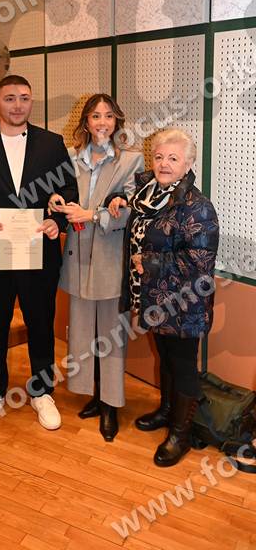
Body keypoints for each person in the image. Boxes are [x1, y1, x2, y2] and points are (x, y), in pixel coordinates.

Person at [0, 75, 78, 431]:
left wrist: (58, 220)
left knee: (40, 321)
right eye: (9, 98)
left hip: (39, 250)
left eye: (24, 98)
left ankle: (42, 392)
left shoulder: (52, 143)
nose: (17, 105)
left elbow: (68, 189)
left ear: (31, 101)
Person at [110, 127, 219, 466]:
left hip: (184, 302)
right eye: (159, 157)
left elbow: (200, 263)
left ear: (188, 164)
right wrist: (118, 199)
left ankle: (180, 435)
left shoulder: (197, 207)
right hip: (154, 298)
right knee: (166, 357)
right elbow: (137, 215)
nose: (164, 163)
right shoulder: (149, 194)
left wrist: (151, 262)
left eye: (173, 158)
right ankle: (168, 411)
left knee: (182, 365)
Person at [50, 94, 144, 441]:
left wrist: (91, 215)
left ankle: (110, 405)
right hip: (77, 258)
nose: (102, 122)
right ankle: (91, 393)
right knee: (82, 334)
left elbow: (133, 211)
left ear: (117, 121)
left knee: (110, 335)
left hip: (109, 258)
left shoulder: (131, 160)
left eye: (108, 116)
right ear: (86, 122)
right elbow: (61, 194)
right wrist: (55, 201)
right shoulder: (70, 157)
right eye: (95, 116)